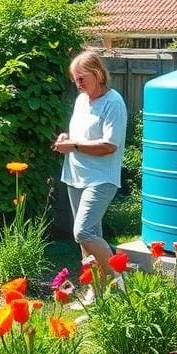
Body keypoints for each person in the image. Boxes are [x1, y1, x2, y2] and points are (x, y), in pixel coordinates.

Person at [52, 48, 128, 304]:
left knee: (83, 232)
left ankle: (119, 281)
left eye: (82, 78)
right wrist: (66, 139)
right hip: (76, 175)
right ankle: (96, 290)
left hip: (101, 178)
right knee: (87, 240)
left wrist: (72, 146)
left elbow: (109, 145)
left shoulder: (113, 102)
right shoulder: (82, 100)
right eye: (75, 80)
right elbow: (79, 135)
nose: (78, 84)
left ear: (97, 73)